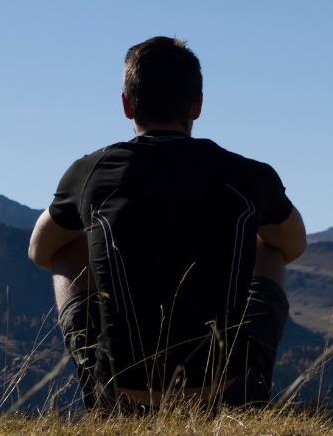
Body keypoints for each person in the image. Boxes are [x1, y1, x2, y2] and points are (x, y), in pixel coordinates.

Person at [28, 36, 306, 410]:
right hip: (226, 392)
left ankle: (96, 385)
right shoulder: (247, 175)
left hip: (123, 395)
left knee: (66, 245)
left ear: (127, 105)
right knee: (267, 244)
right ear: (198, 104)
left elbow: (39, 250)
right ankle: (247, 389)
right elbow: (294, 244)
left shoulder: (91, 173)